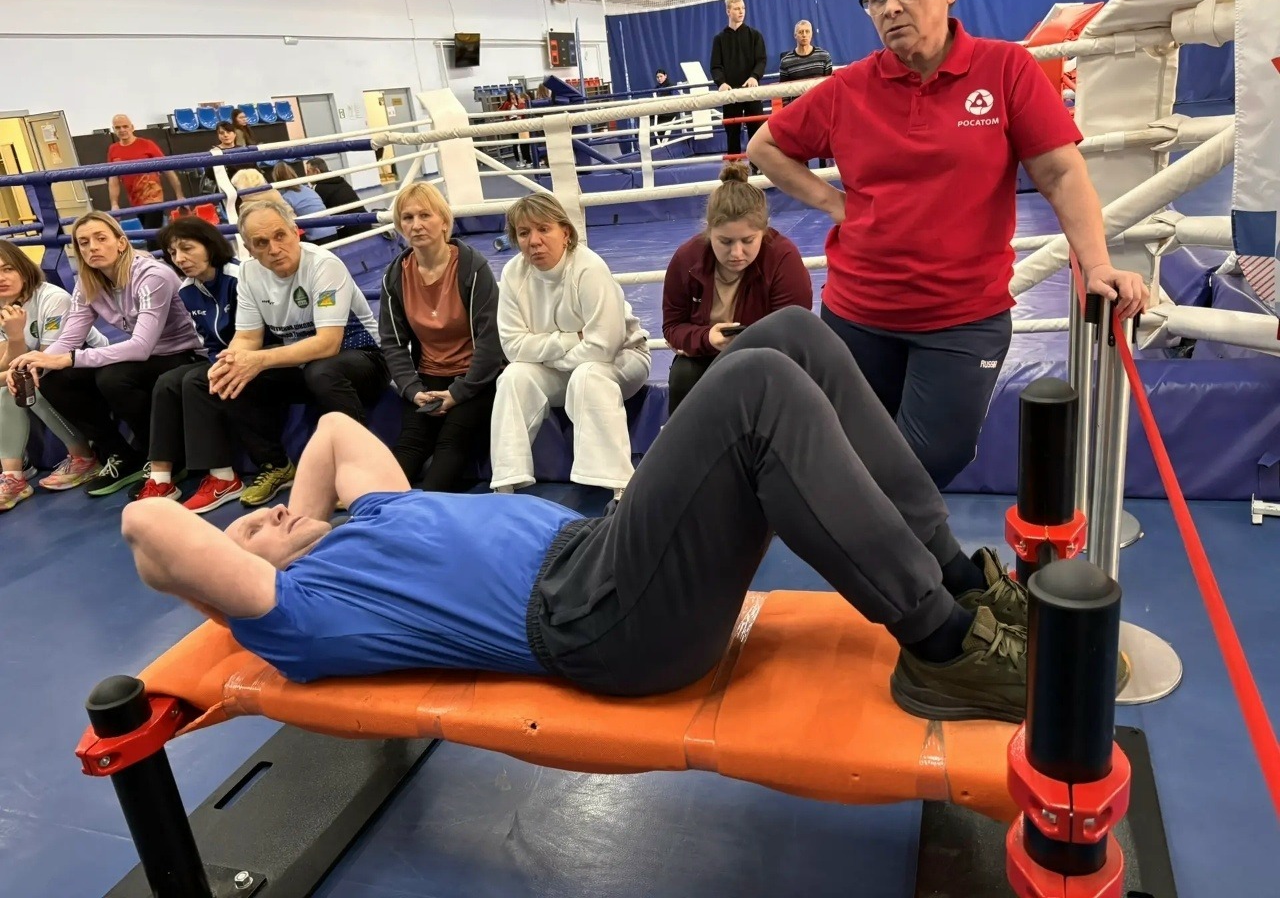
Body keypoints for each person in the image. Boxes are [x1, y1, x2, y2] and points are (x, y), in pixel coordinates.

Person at [122, 307, 1035, 724]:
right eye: (250, 532)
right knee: (757, 387)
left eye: (264, 515)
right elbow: (149, 530)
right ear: (242, 584)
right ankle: (944, 647)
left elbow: (328, 432)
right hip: (599, 622)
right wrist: (246, 578)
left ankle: (958, 582)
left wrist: (295, 522)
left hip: (603, 556)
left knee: (791, 332)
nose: (269, 518)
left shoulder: (369, 516)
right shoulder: (301, 614)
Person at [747, 0, 1149, 489]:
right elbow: (765, 146)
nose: (891, 7)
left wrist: (1098, 264)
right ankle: (883, 543)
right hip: (858, 313)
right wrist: (835, 204)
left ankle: (880, 537)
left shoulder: (1005, 69)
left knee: (929, 461)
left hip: (963, 318)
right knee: (853, 458)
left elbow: (1061, 174)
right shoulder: (849, 88)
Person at [199, 199, 387, 506]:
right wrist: (233, 361)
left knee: (322, 371)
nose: (274, 249)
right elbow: (247, 337)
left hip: (364, 358)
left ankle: (365, 471)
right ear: (249, 249)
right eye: (261, 243)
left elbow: (328, 344)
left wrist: (258, 359)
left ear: (295, 232)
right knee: (231, 377)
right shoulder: (249, 274)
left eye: (280, 236)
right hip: (305, 365)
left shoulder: (323, 265)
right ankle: (276, 466)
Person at [7, 212, 205, 497]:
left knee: (113, 377)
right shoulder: (87, 283)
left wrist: (70, 358)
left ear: (121, 243)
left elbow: (141, 346)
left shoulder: (152, 275)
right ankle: (121, 455)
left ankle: (167, 458)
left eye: (101, 239)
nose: (93, 248)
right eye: (84, 243)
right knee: (55, 380)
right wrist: (33, 365)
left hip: (181, 354)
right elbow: (69, 339)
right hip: (143, 358)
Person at [490, 193, 650, 502]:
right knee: (513, 377)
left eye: (543, 229)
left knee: (588, 374)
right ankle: (506, 483)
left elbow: (603, 348)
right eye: (524, 233)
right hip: (563, 365)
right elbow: (512, 347)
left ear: (565, 232)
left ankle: (619, 486)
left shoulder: (589, 268)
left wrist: (549, 356)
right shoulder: (512, 273)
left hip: (624, 358)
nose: (534, 241)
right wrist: (570, 340)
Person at [379, 181, 502, 492]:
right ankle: (372, 510)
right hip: (429, 376)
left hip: (476, 378)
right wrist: (412, 389)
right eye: (408, 218)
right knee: (410, 444)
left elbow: (490, 342)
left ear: (444, 221)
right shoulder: (396, 275)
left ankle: (427, 511)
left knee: (451, 442)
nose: (416, 225)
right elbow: (392, 342)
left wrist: (459, 392)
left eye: (425, 215)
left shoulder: (472, 268)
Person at [662, 162, 812, 415]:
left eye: (748, 240)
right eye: (725, 241)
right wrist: (708, 338)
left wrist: (748, 345)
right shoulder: (686, 259)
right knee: (683, 375)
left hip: (767, 357)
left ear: (763, 231)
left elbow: (794, 332)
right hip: (705, 355)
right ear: (709, 231)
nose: (737, 253)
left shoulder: (783, 259)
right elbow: (672, 326)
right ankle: (688, 441)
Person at [132, 217, 245, 511]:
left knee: (195, 381)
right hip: (222, 357)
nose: (179, 258)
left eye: (187, 248)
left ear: (209, 245)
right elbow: (209, 341)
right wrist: (217, 361)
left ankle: (224, 477)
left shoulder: (239, 276)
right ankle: (160, 480)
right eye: (172, 253)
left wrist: (225, 362)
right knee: (167, 382)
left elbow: (257, 333)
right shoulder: (187, 290)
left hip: (255, 357)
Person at [0, 242, 107, 507]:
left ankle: (84, 457)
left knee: (28, 382)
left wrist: (13, 365)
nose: (1, 278)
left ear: (23, 269)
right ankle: (13, 477)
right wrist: (15, 338)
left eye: (8, 269)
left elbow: (46, 361)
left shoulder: (52, 298)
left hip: (89, 369)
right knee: (12, 385)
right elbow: (5, 366)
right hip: (43, 372)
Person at [710, 0, 767, 161]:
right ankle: (734, 171)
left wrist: (754, 77)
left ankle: (758, 169)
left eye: (743, 8)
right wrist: (721, 83)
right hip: (730, 95)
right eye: (736, 8)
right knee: (732, 135)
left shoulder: (755, 35)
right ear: (728, 11)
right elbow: (715, 66)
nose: (741, 11)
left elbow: (761, 60)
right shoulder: (719, 39)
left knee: (756, 135)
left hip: (751, 93)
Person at [106, 114, 183, 230]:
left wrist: (180, 195)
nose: (122, 130)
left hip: (153, 197)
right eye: (118, 127)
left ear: (132, 127)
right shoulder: (113, 149)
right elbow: (113, 180)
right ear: (113, 130)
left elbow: (168, 169)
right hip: (135, 200)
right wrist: (114, 204)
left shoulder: (147, 144)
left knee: (151, 233)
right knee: (153, 232)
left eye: (125, 126)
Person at [777, 20, 834, 167]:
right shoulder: (786, 61)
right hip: (798, 111)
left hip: (821, 109)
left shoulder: (824, 56)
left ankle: (825, 171)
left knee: (823, 144)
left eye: (807, 31)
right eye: (801, 32)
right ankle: (804, 173)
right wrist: (788, 114)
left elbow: (830, 86)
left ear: (812, 34)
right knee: (801, 147)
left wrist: (829, 108)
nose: (804, 35)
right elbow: (784, 91)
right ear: (795, 35)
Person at [271, 163, 339, 243]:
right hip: (332, 230)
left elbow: (290, 221)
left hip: (315, 237)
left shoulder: (285, 198)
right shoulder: (308, 189)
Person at [499, 89, 531, 167]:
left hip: (520, 122)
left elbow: (521, 109)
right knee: (515, 142)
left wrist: (516, 104)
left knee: (523, 142)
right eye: (511, 95)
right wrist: (507, 117)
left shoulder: (518, 101)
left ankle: (526, 160)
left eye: (513, 94)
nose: (512, 96)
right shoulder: (507, 103)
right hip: (512, 122)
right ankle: (518, 161)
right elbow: (501, 110)